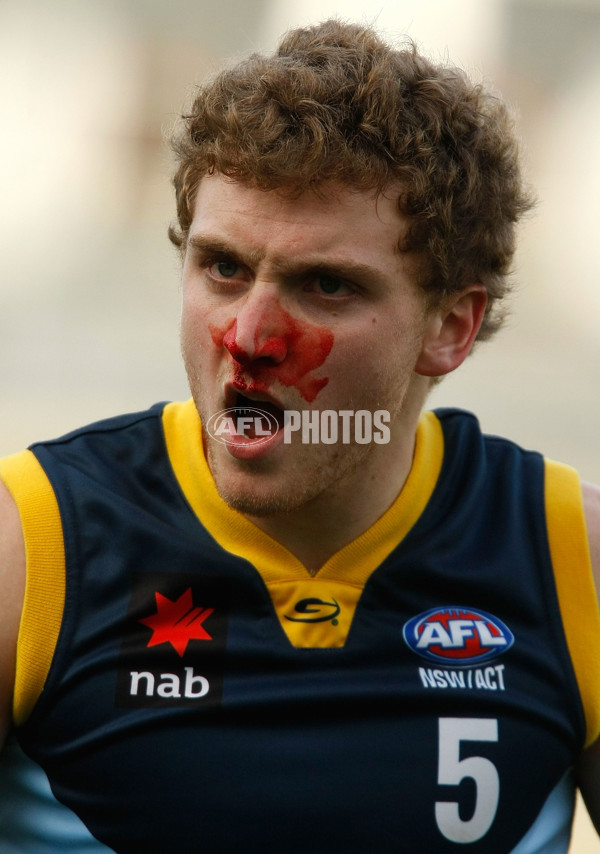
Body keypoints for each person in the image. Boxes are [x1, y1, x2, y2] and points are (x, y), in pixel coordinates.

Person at [1, 17, 599, 853]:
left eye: (325, 285)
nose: (249, 336)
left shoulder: (573, 557)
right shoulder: (29, 546)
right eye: (223, 268)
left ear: (450, 328)